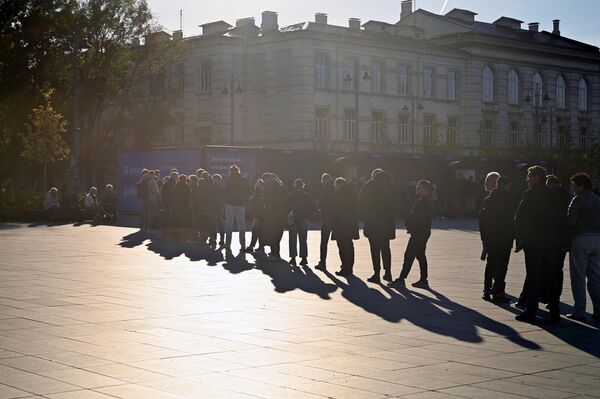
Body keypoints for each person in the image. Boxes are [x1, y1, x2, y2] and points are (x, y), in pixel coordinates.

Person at [514, 165, 562, 323]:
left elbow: (519, 217)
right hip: (551, 242)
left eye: (529, 176)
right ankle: (555, 310)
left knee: (534, 277)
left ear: (536, 177)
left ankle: (531, 311)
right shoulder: (552, 194)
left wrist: (520, 239)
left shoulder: (530, 194)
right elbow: (559, 217)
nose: (527, 179)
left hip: (533, 242)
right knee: (551, 276)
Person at [566, 173, 600, 322]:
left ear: (581, 186)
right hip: (597, 239)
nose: (572, 188)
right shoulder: (598, 200)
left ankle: (579, 310)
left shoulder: (577, 200)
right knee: (595, 277)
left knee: (578, 276)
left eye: (574, 185)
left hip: (581, 238)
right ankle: (598, 310)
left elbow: (570, 221)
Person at [390, 179, 433, 289]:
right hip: (422, 232)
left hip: (419, 233)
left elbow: (419, 218)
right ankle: (423, 280)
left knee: (409, 255)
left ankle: (401, 279)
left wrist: (412, 226)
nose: (417, 189)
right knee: (420, 255)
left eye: (419, 187)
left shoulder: (423, 202)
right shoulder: (423, 200)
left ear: (425, 189)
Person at [479, 175, 515, 302]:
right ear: (506, 185)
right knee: (503, 265)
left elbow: (482, 220)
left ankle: (486, 290)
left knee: (491, 264)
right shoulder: (510, 199)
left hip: (491, 238)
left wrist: (484, 237)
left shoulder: (488, 199)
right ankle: (498, 291)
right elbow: (514, 220)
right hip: (505, 238)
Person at [359, 169, 397, 284]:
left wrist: (366, 213)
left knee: (374, 249)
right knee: (386, 247)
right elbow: (398, 202)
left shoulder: (370, 185)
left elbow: (360, 199)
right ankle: (388, 272)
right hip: (387, 222)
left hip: (373, 222)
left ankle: (376, 273)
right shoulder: (392, 185)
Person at [331, 177, 359, 277]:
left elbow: (335, 210)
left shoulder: (338, 193)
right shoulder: (351, 192)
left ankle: (345, 268)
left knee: (342, 247)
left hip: (340, 225)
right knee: (349, 246)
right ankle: (350, 267)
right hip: (350, 224)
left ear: (337, 184)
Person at [287, 179, 314, 266]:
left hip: (293, 219)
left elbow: (287, 208)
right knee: (303, 239)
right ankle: (304, 258)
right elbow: (311, 208)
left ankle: (293, 258)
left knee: (292, 239)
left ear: (295, 185)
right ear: (303, 185)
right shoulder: (307, 195)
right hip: (304, 219)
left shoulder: (291, 195)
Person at [224, 165, 250, 250]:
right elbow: (249, 191)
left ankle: (228, 244)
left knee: (229, 225)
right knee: (241, 225)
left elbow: (226, 191)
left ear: (231, 171)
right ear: (238, 171)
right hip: (241, 205)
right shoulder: (244, 179)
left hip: (230, 204)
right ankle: (243, 245)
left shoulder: (229, 180)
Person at [261, 173, 286, 259]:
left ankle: (274, 253)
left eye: (264, 180)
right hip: (280, 213)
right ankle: (276, 253)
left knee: (272, 233)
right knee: (278, 232)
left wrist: (267, 206)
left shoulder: (269, 187)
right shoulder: (281, 186)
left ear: (267, 179)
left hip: (271, 213)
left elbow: (266, 199)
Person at [316, 173, 334, 271]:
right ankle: (345, 265)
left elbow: (322, 202)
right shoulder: (335, 187)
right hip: (336, 218)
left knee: (324, 241)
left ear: (324, 180)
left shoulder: (325, 189)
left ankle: (322, 262)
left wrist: (320, 208)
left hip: (327, 217)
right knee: (341, 243)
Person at [170, 174, 193, 241]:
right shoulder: (187, 186)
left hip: (176, 207)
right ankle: (184, 236)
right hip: (185, 207)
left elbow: (172, 197)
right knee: (184, 221)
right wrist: (191, 208)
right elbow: (189, 198)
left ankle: (176, 236)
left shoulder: (175, 186)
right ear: (185, 179)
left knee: (177, 221)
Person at [246, 179, 265, 252]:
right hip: (260, 214)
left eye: (258, 183)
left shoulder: (259, 191)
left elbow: (256, 202)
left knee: (255, 230)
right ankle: (261, 246)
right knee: (260, 230)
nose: (256, 185)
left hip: (258, 215)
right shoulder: (262, 192)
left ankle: (252, 246)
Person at [208, 174, 226, 247]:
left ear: (218, 180)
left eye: (213, 179)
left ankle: (214, 240)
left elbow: (220, 199)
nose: (212, 181)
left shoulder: (216, 188)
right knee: (219, 225)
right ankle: (219, 240)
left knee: (215, 225)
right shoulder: (221, 188)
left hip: (215, 209)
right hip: (217, 209)